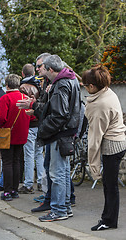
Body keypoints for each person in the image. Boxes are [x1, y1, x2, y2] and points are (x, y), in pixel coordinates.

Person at [36, 55, 81, 222]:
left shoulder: (61, 84)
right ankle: (65, 207)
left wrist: (43, 129)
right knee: (62, 172)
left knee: (57, 174)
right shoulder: (71, 79)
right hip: (67, 132)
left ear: (51, 69)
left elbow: (59, 115)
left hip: (59, 133)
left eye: (43, 68)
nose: (41, 71)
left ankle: (59, 210)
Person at [82, 64, 126, 231]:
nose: (85, 89)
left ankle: (109, 220)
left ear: (92, 86)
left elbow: (94, 139)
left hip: (112, 146)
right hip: (120, 141)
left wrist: (93, 167)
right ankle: (108, 218)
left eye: (86, 86)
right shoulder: (108, 91)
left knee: (110, 186)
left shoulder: (99, 105)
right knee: (110, 185)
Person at [0, 74, 32, 201]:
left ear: (7, 85)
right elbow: (32, 116)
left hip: (7, 134)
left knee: (7, 162)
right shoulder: (25, 98)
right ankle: (15, 190)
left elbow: (1, 118)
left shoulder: (4, 99)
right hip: (22, 134)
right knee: (17, 161)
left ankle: (7, 191)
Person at [18, 63, 45, 194]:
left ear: (23, 74)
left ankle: (28, 184)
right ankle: (41, 181)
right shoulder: (40, 85)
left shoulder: (22, 87)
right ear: (34, 72)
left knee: (28, 155)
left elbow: (23, 107)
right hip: (39, 123)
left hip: (29, 124)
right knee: (39, 154)